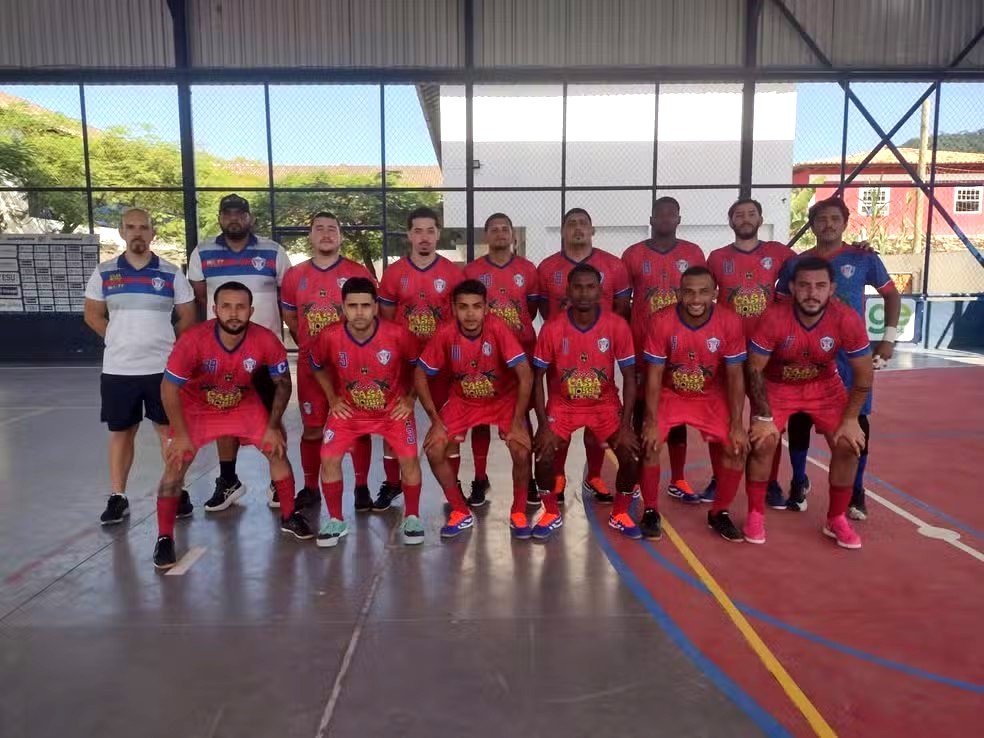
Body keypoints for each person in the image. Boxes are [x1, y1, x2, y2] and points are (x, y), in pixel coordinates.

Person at [153, 282, 306, 570]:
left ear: (251, 310)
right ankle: (164, 538)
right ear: (214, 309)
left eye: (240, 307)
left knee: (277, 450)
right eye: (226, 306)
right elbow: (168, 389)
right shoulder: (193, 340)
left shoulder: (266, 340)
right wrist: (182, 435)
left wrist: (274, 425)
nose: (233, 313)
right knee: (175, 463)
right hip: (198, 407)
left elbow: (283, 383)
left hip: (241, 402)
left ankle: (289, 515)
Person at [776, 197, 901, 519]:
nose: (827, 224)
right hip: (808, 355)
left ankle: (856, 490)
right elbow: (779, 304)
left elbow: (891, 294)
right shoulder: (797, 263)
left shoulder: (863, 258)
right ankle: (799, 480)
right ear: (812, 224)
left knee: (857, 420)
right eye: (821, 219)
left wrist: (888, 338)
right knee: (800, 417)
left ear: (845, 222)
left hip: (850, 356)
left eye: (834, 218)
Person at [745, 257, 873, 549]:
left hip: (825, 387)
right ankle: (754, 514)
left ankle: (836, 518)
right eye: (804, 285)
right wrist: (763, 417)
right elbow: (754, 369)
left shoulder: (846, 317)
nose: (811, 293)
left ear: (832, 289)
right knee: (763, 443)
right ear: (792, 287)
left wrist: (852, 419)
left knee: (848, 445)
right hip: (777, 386)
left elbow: (864, 373)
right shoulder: (774, 317)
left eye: (820, 286)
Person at [84, 207, 197, 524]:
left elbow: (187, 316)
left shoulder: (171, 273)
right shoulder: (104, 272)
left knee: (167, 432)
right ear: (121, 232)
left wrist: (168, 344)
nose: (137, 232)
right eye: (130, 227)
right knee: (121, 432)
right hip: (119, 370)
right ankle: (118, 496)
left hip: (163, 370)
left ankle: (178, 489)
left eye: (143, 227)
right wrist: (117, 337)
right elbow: (92, 315)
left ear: (152, 233)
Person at [186, 194, 292, 512]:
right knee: (224, 415)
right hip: (220, 354)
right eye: (228, 213)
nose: (234, 219)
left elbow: (286, 300)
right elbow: (201, 299)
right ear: (220, 217)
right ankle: (229, 480)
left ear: (249, 218)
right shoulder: (202, 252)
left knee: (274, 416)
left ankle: (278, 480)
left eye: (240, 214)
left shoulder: (273, 252)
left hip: (264, 355)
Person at [309, 278, 423, 547]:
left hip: (391, 412)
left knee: (409, 459)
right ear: (343, 308)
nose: (359, 312)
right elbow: (316, 365)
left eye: (365, 306)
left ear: (375, 307)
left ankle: (413, 516)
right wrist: (333, 398)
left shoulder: (397, 334)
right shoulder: (329, 336)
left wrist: (409, 399)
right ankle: (336, 520)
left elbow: (421, 366)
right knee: (327, 457)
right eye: (352, 306)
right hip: (349, 413)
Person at [416, 280, 534, 539]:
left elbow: (525, 376)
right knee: (434, 449)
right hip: (463, 400)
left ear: (487, 308)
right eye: (463, 307)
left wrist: (516, 422)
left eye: (476, 307)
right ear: (453, 309)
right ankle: (460, 511)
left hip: (501, 399)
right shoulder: (446, 333)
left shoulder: (499, 329)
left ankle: (518, 511)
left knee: (522, 450)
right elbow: (420, 374)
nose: (470, 313)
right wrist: (435, 420)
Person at [532, 264, 640, 540]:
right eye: (577, 287)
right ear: (568, 290)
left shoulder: (616, 325)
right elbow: (537, 377)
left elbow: (629, 376)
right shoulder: (552, 328)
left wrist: (626, 425)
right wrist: (542, 424)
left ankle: (621, 513)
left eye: (590, 287)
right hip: (563, 404)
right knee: (543, 454)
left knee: (631, 453)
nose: (583, 293)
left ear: (600, 291)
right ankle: (550, 512)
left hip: (603, 404)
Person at [640, 267, 749, 541]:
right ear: (678, 294)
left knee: (736, 448)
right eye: (688, 292)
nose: (696, 298)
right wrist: (650, 422)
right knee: (650, 443)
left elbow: (735, 377)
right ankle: (650, 509)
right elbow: (653, 376)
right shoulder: (661, 320)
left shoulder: (730, 322)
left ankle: (719, 512)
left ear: (715, 293)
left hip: (711, 395)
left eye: (703, 292)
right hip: (671, 393)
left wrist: (737, 424)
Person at [280, 211, 375, 512]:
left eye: (331, 229)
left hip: (352, 366)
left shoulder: (358, 272)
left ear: (340, 235)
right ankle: (310, 487)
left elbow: (370, 317)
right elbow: (292, 318)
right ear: (309, 235)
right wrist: (311, 346)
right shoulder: (295, 276)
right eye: (318, 229)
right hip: (311, 368)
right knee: (312, 429)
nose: (325, 234)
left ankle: (361, 487)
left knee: (358, 427)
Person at [704, 198, 795, 506]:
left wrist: (854, 247)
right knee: (723, 419)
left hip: (767, 353)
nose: (745, 219)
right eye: (739, 215)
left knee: (766, 419)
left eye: (751, 214)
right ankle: (719, 478)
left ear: (760, 218)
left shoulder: (779, 253)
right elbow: (702, 296)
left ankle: (770, 482)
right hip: (727, 352)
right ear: (730, 222)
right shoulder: (716, 258)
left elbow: (814, 265)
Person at [536, 208, 631, 506]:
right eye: (571, 224)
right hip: (561, 354)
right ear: (563, 231)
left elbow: (621, 305)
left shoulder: (613, 265)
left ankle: (594, 475)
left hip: (599, 350)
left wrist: (598, 336)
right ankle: (559, 476)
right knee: (560, 417)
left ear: (593, 230)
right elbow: (541, 308)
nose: (577, 229)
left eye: (583, 224)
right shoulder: (547, 267)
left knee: (597, 416)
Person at [377, 206, 463, 511]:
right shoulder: (394, 273)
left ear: (438, 233)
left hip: (441, 365)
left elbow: (459, 321)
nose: (424, 237)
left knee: (449, 426)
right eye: (418, 231)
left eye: (430, 230)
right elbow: (386, 322)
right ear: (408, 235)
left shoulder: (453, 274)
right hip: (403, 365)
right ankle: (392, 484)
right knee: (394, 423)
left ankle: (454, 487)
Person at [622, 197, 706, 503]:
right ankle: (634, 475)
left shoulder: (693, 253)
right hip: (644, 345)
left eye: (672, 214)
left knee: (677, 410)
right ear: (652, 219)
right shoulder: (633, 254)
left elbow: (703, 296)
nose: (666, 219)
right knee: (641, 409)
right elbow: (622, 303)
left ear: (679, 219)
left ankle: (679, 478)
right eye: (660, 214)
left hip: (681, 347)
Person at [462, 212, 540, 507]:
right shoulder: (472, 271)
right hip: (483, 356)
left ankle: (528, 478)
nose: (499, 233)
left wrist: (512, 335)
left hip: (520, 355)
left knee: (522, 415)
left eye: (505, 229)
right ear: (486, 236)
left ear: (513, 235)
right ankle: (480, 478)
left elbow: (530, 309)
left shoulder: (527, 269)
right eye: (493, 229)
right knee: (481, 415)